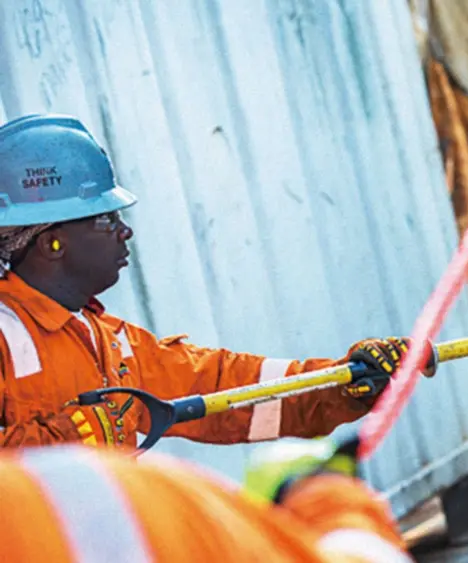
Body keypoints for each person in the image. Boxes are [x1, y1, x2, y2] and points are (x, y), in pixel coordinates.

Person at [0, 113, 434, 448]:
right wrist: (62, 441)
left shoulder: (109, 343)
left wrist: (348, 380)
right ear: (50, 241)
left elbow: (229, 390)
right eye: (106, 219)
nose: (124, 230)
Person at [0, 432, 414, 562]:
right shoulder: (77, 499)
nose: (122, 232)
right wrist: (322, 493)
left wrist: (332, 386)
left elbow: (206, 375)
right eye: (105, 221)